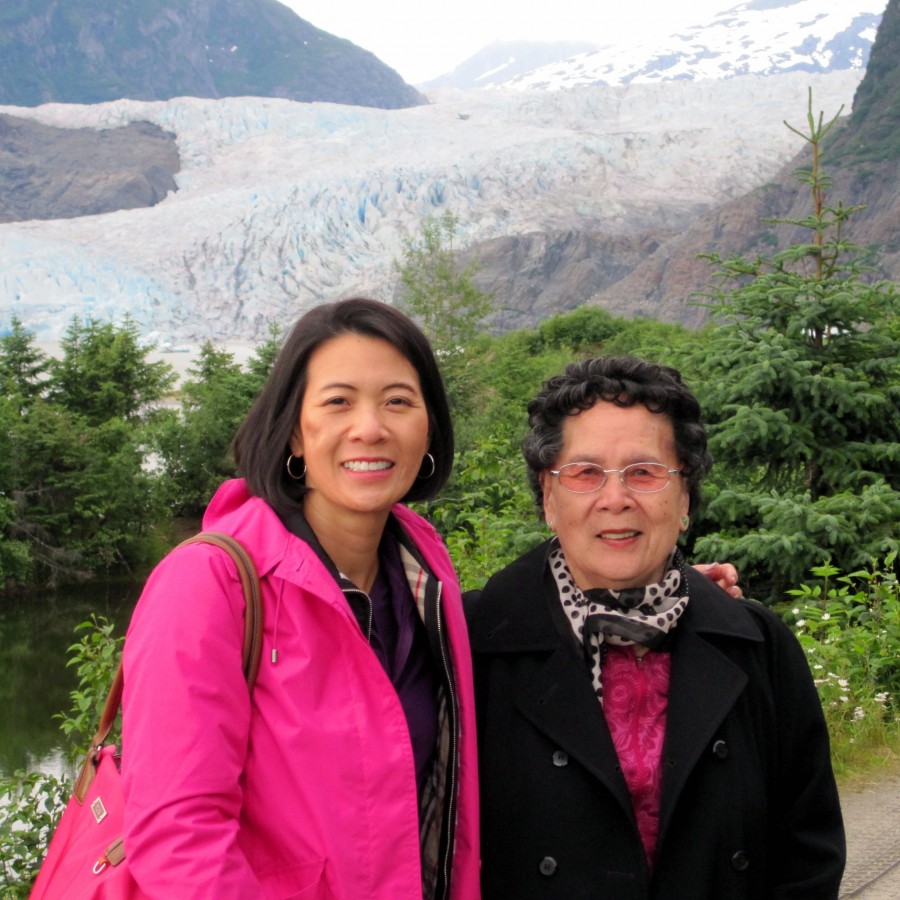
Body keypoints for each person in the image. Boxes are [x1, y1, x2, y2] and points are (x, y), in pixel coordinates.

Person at [121, 298, 480, 898]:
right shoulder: (211, 584)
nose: (370, 427)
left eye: (398, 401)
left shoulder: (422, 562)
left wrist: (665, 584)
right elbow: (178, 839)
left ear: (429, 427)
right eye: (338, 402)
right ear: (293, 429)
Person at [465, 355, 845, 899]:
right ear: (549, 499)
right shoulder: (473, 641)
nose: (615, 499)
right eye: (585, 473)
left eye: (644, 472)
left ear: (684, 498)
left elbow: (807, 854)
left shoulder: (756, 644)